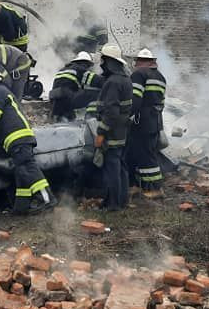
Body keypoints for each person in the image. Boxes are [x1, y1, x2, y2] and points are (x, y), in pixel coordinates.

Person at [0, 67, 54, 214]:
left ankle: (47, 198)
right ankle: (21, 207)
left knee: (27, 167)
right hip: (21, 136)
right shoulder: (5, 91)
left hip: (17, 137)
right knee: (21, 171)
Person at [94, 44, 133, 211]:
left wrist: (101, 132)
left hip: (113, 131)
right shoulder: (125, 80)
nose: (101, 64)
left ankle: (113, 204)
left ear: (109, 62)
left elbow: (111, 112)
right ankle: (122, 200)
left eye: (103, 60)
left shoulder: (113, 82)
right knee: (121, 166)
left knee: (112, 167)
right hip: (123, 129)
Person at [126, 48, 166, 198]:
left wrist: (126, 115)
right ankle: (136, 186)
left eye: (137, 61)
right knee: (141, 153)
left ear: (144, 62)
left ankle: (154, 189)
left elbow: (135, 99)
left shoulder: (139, 74)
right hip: (155, 122)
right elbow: (161, 103)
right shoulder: (161, 77)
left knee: (146, 155)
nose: (135, 64)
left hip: (142, 123)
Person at [49, 51, 94, 122]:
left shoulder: (62, 69)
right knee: (93, 95)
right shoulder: (80, 69)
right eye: (88, 65)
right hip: (66, 96)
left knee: (65, 117)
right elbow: (95, 80)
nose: (87, 68)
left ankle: (61, 118)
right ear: (83, 62)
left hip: (54, 98)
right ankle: (90, 118)